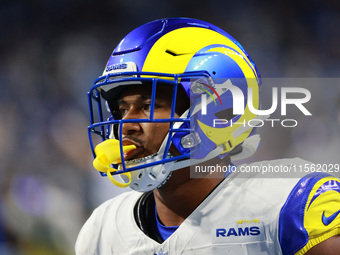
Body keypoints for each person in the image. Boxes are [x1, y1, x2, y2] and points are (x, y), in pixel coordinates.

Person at [75, 18, 340, 254]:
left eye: (148, 105)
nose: (126, 125)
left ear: (218, 111)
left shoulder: (289, 207)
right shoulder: (102, 229)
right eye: (122, 109)